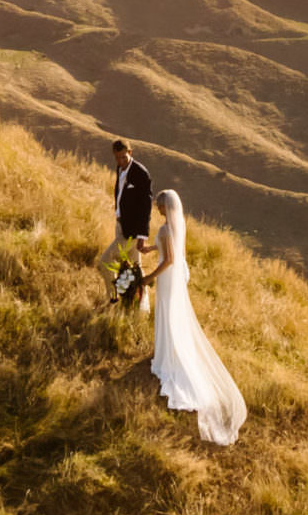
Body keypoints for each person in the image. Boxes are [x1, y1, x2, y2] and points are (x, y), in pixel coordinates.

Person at [144, 189, 246, 446]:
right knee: (170, 314)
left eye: (159, 205)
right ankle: (168, 350)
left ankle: (170, 356)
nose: (157, 209)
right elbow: (167, 245)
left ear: (165, 207)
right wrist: (148, 248)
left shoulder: (167, 228)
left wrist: (148, 277)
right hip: (175, 278)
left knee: (167, 313)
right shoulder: (173, 227)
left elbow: (168, 259)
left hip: (168, 278)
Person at [96, 137, 155, 295]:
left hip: (132, 232)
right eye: (117, 157)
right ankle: (138, 308)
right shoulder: (119, 168)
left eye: (123, 157)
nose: (120, 161)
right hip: (121, 226)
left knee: (105, 262)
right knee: (133, 270)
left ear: (130, 152)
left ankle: (113, 299)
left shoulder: (140, 173)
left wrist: (142, 235)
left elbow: (146, 206)